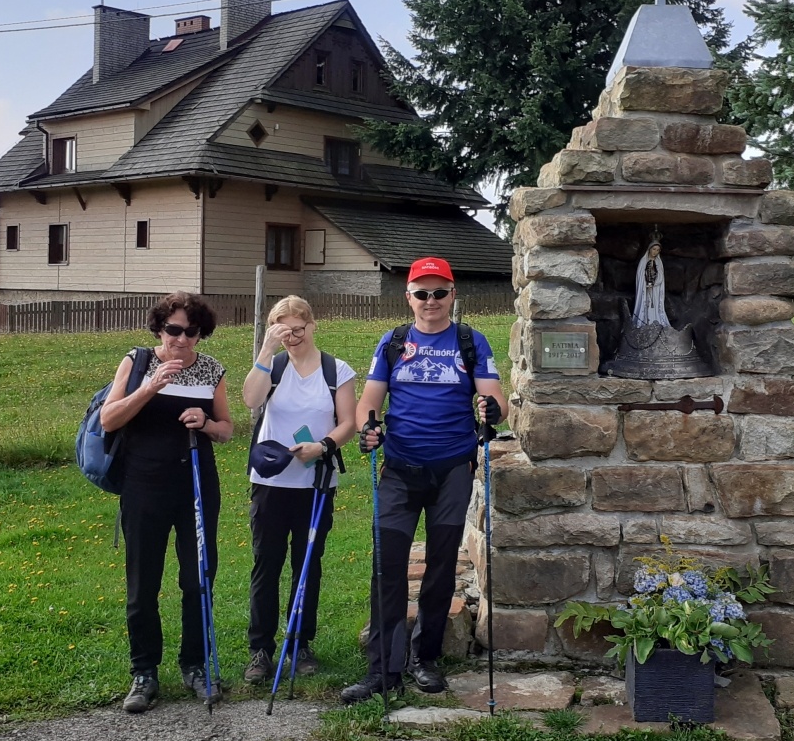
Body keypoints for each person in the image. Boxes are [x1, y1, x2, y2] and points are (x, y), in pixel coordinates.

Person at [342, 257, 509, 704]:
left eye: (439, 292)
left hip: (452, 468)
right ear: (409, 297)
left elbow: (495, 397)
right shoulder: (394, 342)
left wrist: (491, 410)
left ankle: (426, 658)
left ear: (453, 295)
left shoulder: (471, 340)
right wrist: (369, 428)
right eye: (422, 293)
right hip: (399, 468)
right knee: (388, 566)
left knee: (440, 568)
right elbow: (370, 402)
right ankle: (384, 668)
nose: (430, 301)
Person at [100, 292, 232, 713]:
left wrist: (207, 422)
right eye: (173, 329)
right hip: (144, 483)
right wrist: (151, 387)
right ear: (159, 328)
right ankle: (144, 672)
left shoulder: (211, 369)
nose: (181, 339)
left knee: (197, 579)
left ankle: (195, 665)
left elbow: (228, 429)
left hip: (195, 483)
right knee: (144, 583)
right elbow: (109, 418)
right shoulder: (137, 361)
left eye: (191, 331)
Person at [239, 296, 358, 684]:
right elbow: (250, 400)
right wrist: (266, 348)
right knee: (266, 563)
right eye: (283, 330)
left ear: (312, 325)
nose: (292, 337)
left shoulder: (335, 370)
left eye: (297, 329)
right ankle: (261, 649)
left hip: (316, 481)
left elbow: (348, 423)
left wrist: (323, 445)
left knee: (308, 562)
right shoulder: (272, 365)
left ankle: (301, 642)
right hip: (271, 482)